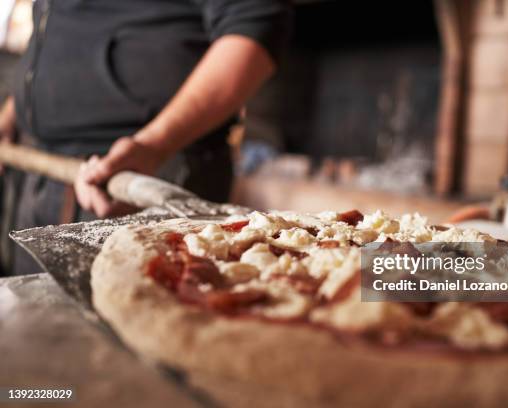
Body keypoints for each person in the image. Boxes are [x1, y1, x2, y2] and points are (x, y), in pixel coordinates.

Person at [0, 0, 292, 275]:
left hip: (136, 178)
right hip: (43, 172)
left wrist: (153, 145)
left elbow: (253, 23)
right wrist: (14, 112)